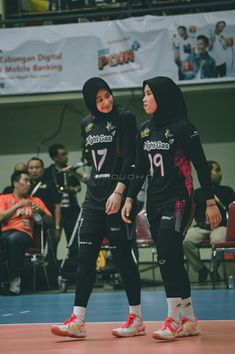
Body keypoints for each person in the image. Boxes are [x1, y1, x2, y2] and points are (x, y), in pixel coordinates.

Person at [121, 76, 222, 341]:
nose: (144, 98)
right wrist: (130, 199)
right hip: (154, 201)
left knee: (166, 253)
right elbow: (139, 170)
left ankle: (173, 320)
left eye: (148, 93)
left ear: (162, 96)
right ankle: (189, 319)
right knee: (171, 256)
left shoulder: (183, 128)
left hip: (179, 199)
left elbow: (201, 165)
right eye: (143, 93)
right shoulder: (143, 130)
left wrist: (210, 202)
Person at [51, 77, 145, 339]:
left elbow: (131, 159)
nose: (106, 102)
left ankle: (136, 318)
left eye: (108, 95)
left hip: (117, 194)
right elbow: (93, 160)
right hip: (93, 198)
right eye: (99, 99)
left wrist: (119, 192)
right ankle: (78, 320)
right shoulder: (86, 124)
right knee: (84, 258)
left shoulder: (125, 117)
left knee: (123, 258)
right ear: (90, 102)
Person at [0, 171, 52, 295]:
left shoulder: (35, 200)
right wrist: (17, 205)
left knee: (13, 239)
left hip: (25, 235)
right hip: (5, 233)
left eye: (29, 181)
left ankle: (14, 280)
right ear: (15, 183)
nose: (29, 184)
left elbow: (50, 221)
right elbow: (1, 217)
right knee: (6, 240)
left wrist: (40, 211)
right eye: (25, 181)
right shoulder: (4, 198)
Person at [183, 160, 235, 282]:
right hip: (201, 227)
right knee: (185, 241)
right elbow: (191, 213)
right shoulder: (197, 193)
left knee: (218, 241)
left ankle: (213, 269)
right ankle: (201, 269)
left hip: (220, 227)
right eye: (216, 170)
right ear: (207, 173)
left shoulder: (227, 191)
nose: (220, 174)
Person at [44, 144, 82, 261]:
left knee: (74, 242)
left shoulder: (70, 171)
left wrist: (72, 189)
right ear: (55, 157)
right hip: (56, 212)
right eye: (63, 154)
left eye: (66, 154)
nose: (66, 157)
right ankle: (52, 270)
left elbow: (78, 186)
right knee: (53, 242)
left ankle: (73, 271)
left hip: (72, 211)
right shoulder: (48, 172)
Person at [27, 157, 61, 264]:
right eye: (31, 168)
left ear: (42, 169)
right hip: (31, 225)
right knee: (33, 253)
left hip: (48, 223)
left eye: (37, 167)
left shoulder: (50, 184)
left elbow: (57, 206)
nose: (34, 170)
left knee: (51, 252)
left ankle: (52, 278)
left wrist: (57, 227)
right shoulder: (25, 185)